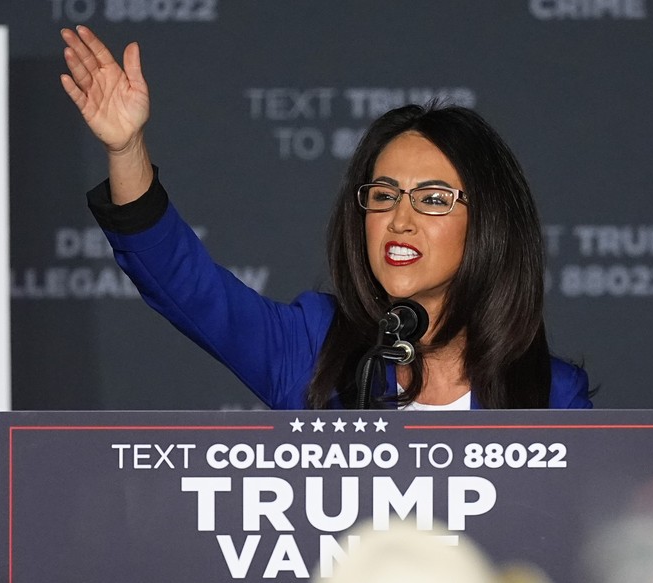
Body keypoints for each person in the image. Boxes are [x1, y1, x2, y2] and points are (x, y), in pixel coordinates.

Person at [60, 26, 592, 411]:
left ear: (489, 225)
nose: (399, 219)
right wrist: (127, 148)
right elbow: (183, 282)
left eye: (431, 199)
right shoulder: (316, 351)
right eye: (383, 195)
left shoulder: (550, 395)